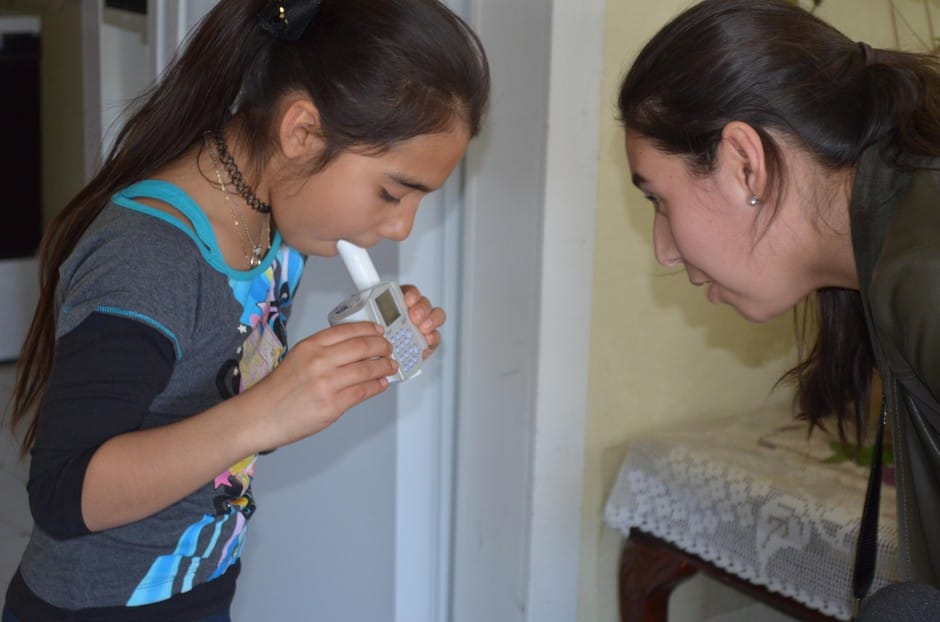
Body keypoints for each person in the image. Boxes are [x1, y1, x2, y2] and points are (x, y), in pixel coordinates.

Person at [2, 0, 489, 620]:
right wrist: (264, 412)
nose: (400, 227)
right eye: (393, 192)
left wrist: (332, 378)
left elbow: (216, 429)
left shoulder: (271, 225)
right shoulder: (149, 258)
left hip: (202, 590)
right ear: (301, 132)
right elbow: (64, 493)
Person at [616, 0, 940, 618]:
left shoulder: (925, 271)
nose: (662, 250)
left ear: (745, 164)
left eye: (658, 199)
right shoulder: (894, 239)